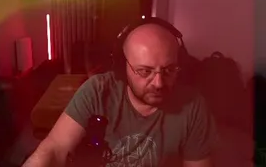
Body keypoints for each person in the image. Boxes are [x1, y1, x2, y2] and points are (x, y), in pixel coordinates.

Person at [21, 22, 217, 166]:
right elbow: (54, 149)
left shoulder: (193, 106)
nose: (158, 83)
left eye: (169, 70)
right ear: (123, 68)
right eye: (145, 71)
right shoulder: (97, 90)